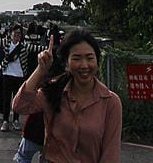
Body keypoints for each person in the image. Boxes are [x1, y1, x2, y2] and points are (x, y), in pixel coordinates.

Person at [12, 29, 122, 163]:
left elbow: (110, 153)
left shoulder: (111, 102)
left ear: (97, 61)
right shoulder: (53, 91)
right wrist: (41, 70)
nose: (84, 65)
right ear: (67, 64)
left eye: (90, 58)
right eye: (76, 58)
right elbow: (19, 106)